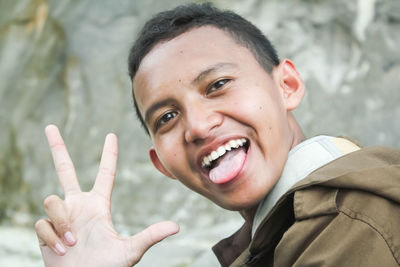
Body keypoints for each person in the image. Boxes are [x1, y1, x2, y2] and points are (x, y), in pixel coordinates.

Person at [35, 3, 400, 267]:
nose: (196, 126)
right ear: (162, 164)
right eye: (167, 117)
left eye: (218, 85)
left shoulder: (349, 222)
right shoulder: (275, 236)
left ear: (287, 85)